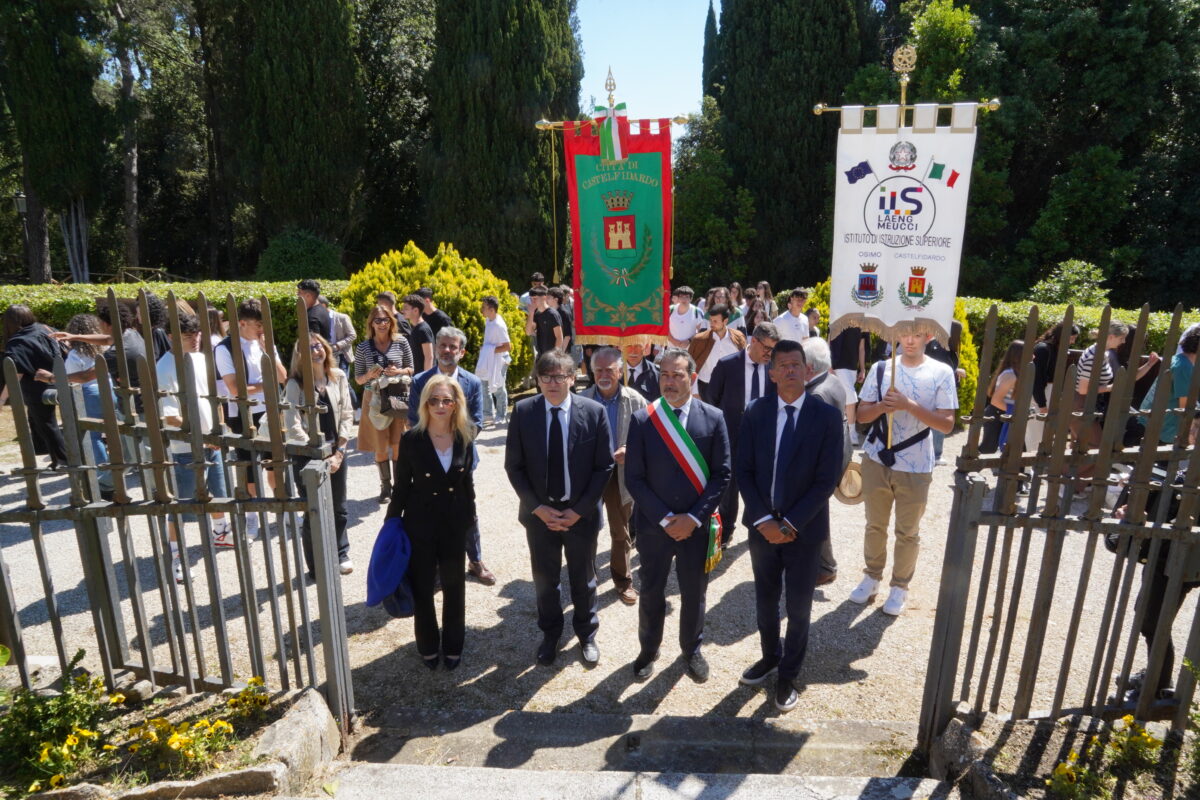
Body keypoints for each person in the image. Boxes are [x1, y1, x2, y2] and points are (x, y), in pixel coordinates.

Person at [736, 339, 843, 711]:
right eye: (782, 365)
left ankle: (788, 674)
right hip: (762, 528)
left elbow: (826, 481)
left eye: (796, 364)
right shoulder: (756, 411)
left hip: (805, 530)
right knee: (765, 601)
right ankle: (770, 657)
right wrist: (764, 520)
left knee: (798, 607)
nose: (790, 371)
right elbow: (744, 471)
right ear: (772, 373)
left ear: (808, 370)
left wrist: (791, 523)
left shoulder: (826, 416)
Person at [625, 348, 731, 681]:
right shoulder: (643, 419)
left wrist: (694, 518)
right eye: (664, 375)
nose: (669, 382)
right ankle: (648, 650)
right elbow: (634, 478)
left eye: (677, 375)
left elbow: (722, 474)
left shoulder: (713, 417)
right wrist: (665, 518)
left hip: (695, 527)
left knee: (694, 593)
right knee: (651, 591)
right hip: (655, 527)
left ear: (693, 378)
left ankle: (691, 650)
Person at [505, 350, 614, 666]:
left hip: (581, 515)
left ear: (572, 378)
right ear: (538, 380)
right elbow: (514, 466)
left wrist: (578, 510)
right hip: (540, 517)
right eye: (546, 377)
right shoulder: (524, 411)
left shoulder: (593, 412)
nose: (553, 383)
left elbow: (604, 466)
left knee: (584, 579)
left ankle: (587, 634)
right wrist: (538, 508)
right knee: (545, 581)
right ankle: (550, 635)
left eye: (560, 376)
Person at [852, 330, 958, 616]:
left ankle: (900, 586)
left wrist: (908, 405)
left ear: (929, 336)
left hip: (916, 462)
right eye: (904, 334)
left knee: (908, 531)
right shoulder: (881, 368)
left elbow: (947, 424)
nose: (909, 340)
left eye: (917, 335)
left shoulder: (941, 372)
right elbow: (861, 415)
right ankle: (872, 576)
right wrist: (882, 406)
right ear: (895, 334)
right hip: (877, 457)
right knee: (875, 524)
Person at [387, 375, 478, 671]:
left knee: (455, 587)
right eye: (434, 400)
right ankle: (427, 645)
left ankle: (454, 645)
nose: (440, 406)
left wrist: (470, 517)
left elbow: (467, 483)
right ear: (425, 404)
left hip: (454, 524)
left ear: (456, 404)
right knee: (423, 588)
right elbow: (401, 486)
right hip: (420, 525)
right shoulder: (411, 439)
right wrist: (391, 524)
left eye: (446, 400)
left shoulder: (465, 436)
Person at [409, 327, 494, 585]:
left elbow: (476, 423)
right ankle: (435, 564)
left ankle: (475, 560)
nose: (447, 350)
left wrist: (451, 446)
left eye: (453, 346)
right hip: (428, 461)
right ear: (436, 348)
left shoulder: (472, 382)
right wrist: (434, 447)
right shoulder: (420, 381)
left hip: (461, 461)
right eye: (443, 345)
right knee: (432, 511)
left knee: (467, 511)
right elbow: (414, 421)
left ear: (462, 352)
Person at [156, 313, 232, 583]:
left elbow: (214, 397)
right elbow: (171, 416)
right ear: (171, 338)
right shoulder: (165, 367)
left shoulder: (201, 358)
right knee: (183, 504)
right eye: (188, 336)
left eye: (197, 334)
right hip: (185, 446)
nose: (195, 340)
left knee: (219, 492)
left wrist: (218, 428)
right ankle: (176, 554)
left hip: (212, 440)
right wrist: (202, 437)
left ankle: (220, 532)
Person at [214, 298, 288, 535]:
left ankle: (284, 509)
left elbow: (283, 377)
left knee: (275, 463)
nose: (262, 330)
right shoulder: (225, 348)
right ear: (242, 323)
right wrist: (266, 385)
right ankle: (252, 516)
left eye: (264, 324)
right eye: (258, 325)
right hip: (242, 414)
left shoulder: (265, 343)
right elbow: (236, 389)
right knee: (249, 468)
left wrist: (268, 352)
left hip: (269, 410)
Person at [580, 347, 648, 605]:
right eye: (598, 370)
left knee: (620, 531)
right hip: (589, 475)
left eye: (609, 370)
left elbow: (649, 437)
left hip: (620, 474)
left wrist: (631, 450)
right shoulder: (581, 400)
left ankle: (623, 580)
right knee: (586, 528)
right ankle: (587, 577)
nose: (604, 375)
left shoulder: (636, 400)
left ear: (620, 371)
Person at [285, 333, 354, 576]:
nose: (316, 351)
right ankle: (316, 565)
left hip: (337, 451)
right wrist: (318, 453)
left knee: (339, 507)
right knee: (313, 510)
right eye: (309, 348)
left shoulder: (338, 376)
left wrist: (339, 452)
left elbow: (347, 414)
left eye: (318, 346)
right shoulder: (295, 384)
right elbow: (292, 424)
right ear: (299, 355)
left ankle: (341, 552)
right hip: (307, 456)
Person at [707, 322, 780, 548]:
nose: (770, 354)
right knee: (729, 486)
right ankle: (726, 530)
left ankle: (757, 525)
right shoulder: (728, 365)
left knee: (761, 483)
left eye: (774, 349)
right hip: (732, 435)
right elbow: (712, 399)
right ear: (753, 341)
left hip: (763, 438)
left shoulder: (774, 368)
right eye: (767, 348)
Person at [801, 336, 855, 585]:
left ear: (809, 367)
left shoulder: (816, 395)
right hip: (836, 459)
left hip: (820, 469)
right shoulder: (833, 380)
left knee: (814, 515)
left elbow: (811, 444)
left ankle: (824, 566)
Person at [354, 304, 415, 502]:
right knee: (380, 446)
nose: (382, 324)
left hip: (397, 396)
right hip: (374, 399)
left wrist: (399, 371)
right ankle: (385, 487)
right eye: (378, 320)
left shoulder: (401, 342)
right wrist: (369, 375)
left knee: (398, 444)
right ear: (371, 323)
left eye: (386, 320)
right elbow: (358, 379)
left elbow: (411, 369)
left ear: (391, 321)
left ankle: (399, 486)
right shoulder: (363, 347)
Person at [1, 305, 68, 468]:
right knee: (37, 420)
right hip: (58, 379)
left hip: (37, 387)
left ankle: (63, 460)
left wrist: (2, 399)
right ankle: (45, 450)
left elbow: (16, 373)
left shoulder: (17, 342)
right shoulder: (45, 328)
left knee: (47, 424)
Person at [1139, 326, 1198, 447]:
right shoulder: (1184, 367)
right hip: (1164, 429)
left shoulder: (1178, 359)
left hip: (1153, 422)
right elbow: (1186, 407)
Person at [1028, 321, 1079, 450]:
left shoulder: (1056, 349)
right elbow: (1036, 379)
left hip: (1049, 392)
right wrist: (1042, 404)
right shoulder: (1043, 349)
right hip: (1040, 394)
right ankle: (1032, 460)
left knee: (1046, 432)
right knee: (1036, 432)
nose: (1073, 342)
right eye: (1071, 338)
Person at [924, 321, 964, 465]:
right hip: (938, 389)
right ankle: (935, 454)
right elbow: (939, 368)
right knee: (938, 423)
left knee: (936, 422)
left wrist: (955, 370)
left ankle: (935, 453)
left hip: (938, 389)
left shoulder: (941, 346)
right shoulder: (941, 347)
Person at [688, 304, 746, 402]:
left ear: (725, 321)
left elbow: (744, 363)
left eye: (715, 321)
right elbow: (690, 365)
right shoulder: (700, 339)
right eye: (710, 320)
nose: (711, 324)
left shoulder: (738, 338)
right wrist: (694, 391)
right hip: (705, 387)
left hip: (729, 387)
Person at [476, 296, 512, 426]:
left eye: (484, 307)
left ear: (491, 310)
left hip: (500, 360)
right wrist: (486, 350)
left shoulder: (499, 325)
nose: (481, 310)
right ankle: (488, 414)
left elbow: (508, 346)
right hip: (489, 359)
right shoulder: (489, 320)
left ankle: (501, 415)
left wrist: (489, 350)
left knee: (498, 387)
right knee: (484, 385)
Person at [829, 327, 866, 445]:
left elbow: (861, 348)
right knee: (850, 398)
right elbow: (829, 340)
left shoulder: (862, 323)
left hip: (852, 367)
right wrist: (829, 364)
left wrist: (862, 369)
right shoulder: (838, 318)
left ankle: (844, 431)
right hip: (838, 364)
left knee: (844, 399)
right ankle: (852, 432)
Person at [320, 295, 357, 374]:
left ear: (323, 306)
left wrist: (338, 345)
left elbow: (352, 335)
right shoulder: (319, 320)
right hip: (327, 355)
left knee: (343, 379)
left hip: (342, 354)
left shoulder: (342, 318)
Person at [400, 294, 434, 374]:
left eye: (406, 309)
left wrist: (425, 377)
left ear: (415, 310)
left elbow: (429, 357)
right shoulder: (414, 327)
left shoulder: (423, 329)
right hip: (415, 375)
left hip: (422, 376)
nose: (402, 311)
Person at [525, 286, 563, 356]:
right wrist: (531, 313)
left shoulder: (552, 314)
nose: (533, 301)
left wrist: (554, 356)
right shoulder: (536, 314)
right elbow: (528, 332)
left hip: (551, 356)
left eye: (535, 298)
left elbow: (559, 337)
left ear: (544, 297)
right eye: (531, 299)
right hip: (541, 355)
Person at [548, 287, 573, 353]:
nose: (546, 300)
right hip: (551, 349)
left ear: (556, 299)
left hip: (562, 351)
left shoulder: (564, 313)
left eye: (549, 298)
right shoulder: (549, 312)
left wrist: (560, 353)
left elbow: (567, 336)